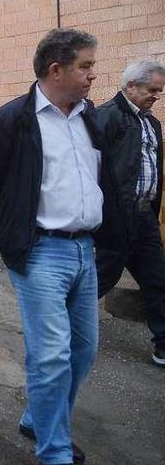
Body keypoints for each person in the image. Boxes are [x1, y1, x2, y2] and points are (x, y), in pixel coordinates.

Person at [0, 28, 110, 465]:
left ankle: (39, 417)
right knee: (51, 357)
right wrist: (19, 234)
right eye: (85, 66)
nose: (92, 75)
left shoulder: (89, 117)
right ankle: (55, 452)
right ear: (56, 69)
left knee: (83, 351)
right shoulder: (14, 119)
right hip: (41, 252)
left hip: (85, 251)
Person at [94, 59, 165, 367]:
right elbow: (91, 170)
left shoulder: (152, 123)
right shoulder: (106, 117)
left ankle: (162, 345)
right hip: (116, 218)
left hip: (145, 217)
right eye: (152, 89)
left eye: (160, 91)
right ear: (131, 86)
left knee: (157, 279)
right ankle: (59, 329)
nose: (157, 96)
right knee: (100, 278)